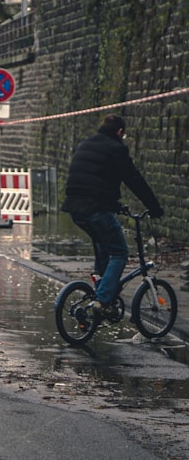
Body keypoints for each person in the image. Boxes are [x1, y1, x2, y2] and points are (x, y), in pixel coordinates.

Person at [61, 113, 163, 316]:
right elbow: (134, 179)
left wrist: (115, 206)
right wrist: (154, 207)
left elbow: (93, 181)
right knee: (120, 252)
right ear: (120, 132)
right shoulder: (116, 148)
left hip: (75, 208)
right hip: (95, 209)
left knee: (103, 244)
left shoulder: (86, 144)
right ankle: (103, 300)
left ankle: (100, 286)